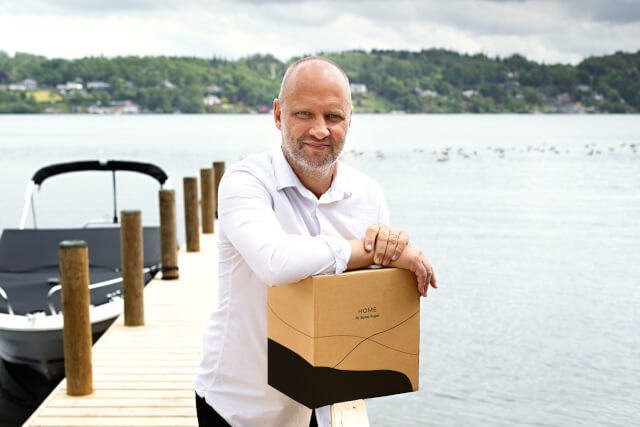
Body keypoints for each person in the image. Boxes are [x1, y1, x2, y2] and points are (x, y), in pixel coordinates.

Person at [194, 56, 437, 427]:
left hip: (320, 406)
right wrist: (364, 249)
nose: (320, 130)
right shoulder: (244, 182)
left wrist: (390, 253)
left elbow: (367, 302)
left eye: (333, 117)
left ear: (350, 119)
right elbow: (276, 263)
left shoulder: (369, 195)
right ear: (278, 115)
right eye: (304, 114)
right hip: (239, 407)